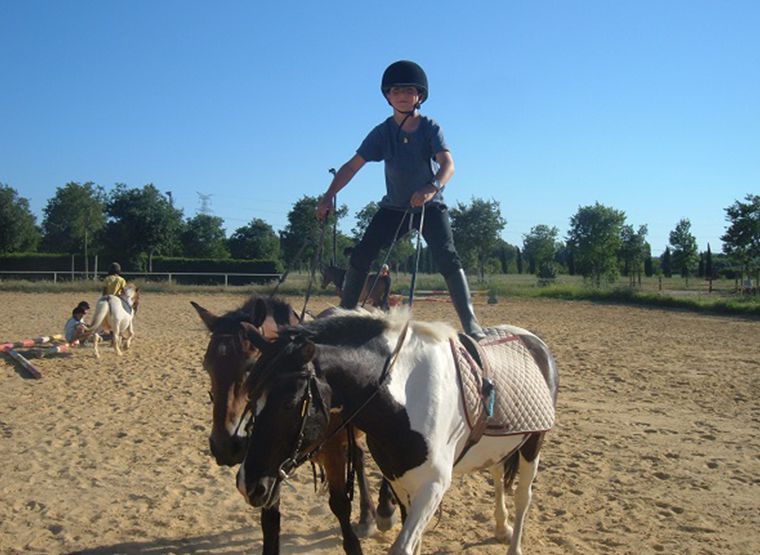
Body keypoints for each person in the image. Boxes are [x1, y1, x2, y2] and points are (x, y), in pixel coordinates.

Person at [316, 60, 484, 338]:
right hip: (394, 208)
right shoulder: (382, 133)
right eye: (396, 91)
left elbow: (448, 165)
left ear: (420, 96)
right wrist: (328, 196)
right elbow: (351, 167)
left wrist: (432, 187)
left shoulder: (430, 127)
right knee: (361, 255)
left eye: (409, 91)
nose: (403, 96)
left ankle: (471, 324)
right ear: (387, 96)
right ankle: (345, 313)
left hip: (430, 207)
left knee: (447, 258)